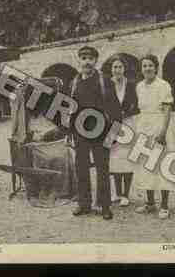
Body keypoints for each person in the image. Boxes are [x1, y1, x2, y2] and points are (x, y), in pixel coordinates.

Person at [69, 46, 113, 220]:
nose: (87, 61)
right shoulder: (74, 83)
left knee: (102, 169)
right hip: (80, 134)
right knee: (81, 168)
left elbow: (114, 109)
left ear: (96, 61)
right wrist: (70, 132)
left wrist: (112, 135)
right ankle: (84, 204)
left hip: (101, 132)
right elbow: (70, 110)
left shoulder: (104, 81)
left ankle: (105, 206)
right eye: (83, 58)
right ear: (79, 61)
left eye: (90, 58)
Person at [133, 54, 175, 219]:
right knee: (145, 165)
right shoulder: (139, 86)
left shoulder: (163, 85)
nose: (147, 69)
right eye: (144, 66)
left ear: (156, 67)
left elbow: (167, 110)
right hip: (143, 126)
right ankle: (150, 203)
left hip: (159, 125)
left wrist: (163, 132)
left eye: (150, 65)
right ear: (141, 69)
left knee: (162, 165)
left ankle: (164, 205)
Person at [103, 55, 139, 207]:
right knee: (115, 160)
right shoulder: (106, 85)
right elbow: (103, 105)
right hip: (112, 125)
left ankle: (126, 194)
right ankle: (117, 193)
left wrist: (127, 112)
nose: (117, 70)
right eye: (115, 67)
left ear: (124, 69)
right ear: (111, 69)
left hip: (128, 124)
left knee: (128, 158)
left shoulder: (131, 85)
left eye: (120, 67)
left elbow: (137, 105)